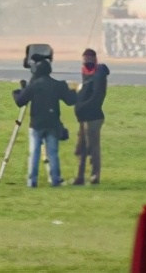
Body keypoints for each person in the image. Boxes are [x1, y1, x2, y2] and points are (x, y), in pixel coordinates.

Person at [12, 57, 76, 187]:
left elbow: (20, 101)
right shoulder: (58, 85)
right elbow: (70, 100)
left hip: (36, 124)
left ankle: (32, 181)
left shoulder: (35, 85)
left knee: (34, 153)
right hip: (53, 124)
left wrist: (18, 91)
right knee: (52, 153)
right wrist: (75, 91)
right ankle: (55, 179)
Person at [73, 48, 109, 185]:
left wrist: (81, 107)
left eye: (88, 59)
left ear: (94, 59)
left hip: (94, 117)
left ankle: (94, 176)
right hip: (84, 116)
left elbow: (97, 97)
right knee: (81, 146)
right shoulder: (86, 74)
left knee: (93, 147)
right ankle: (80, 176)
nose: (86, 62)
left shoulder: (99, 75)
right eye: (84, 60)